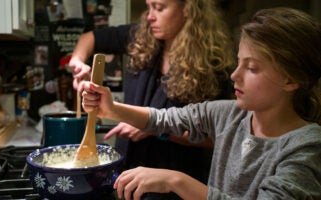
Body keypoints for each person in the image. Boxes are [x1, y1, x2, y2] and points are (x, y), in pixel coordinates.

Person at [79, 7, 321, 199]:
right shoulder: (229, 114)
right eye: (238, 63)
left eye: (252, 68)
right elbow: (164, 118)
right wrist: (110, 108)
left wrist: (176, 181)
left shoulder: (306, 147)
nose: (235, 76)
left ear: (291, 80)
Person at [69, 0, 235, 183]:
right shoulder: (141, 37)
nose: (149, 16)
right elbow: (89, 38)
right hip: (127, 169)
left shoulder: (212, 66)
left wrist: (156, 130)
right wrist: (77, 62)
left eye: (159, 8)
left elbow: (215, 138)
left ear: (188, 9)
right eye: (149, 7)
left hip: (176, 180)